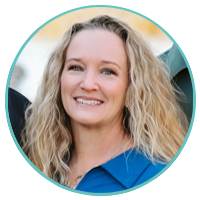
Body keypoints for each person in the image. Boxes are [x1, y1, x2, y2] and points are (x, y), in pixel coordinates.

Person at [18, 15, 189, 193]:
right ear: (58, 80)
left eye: (108, 71)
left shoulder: (157, 177)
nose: (88, 84)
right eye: (76, 67)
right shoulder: (40, 165)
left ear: (132, 90)